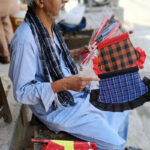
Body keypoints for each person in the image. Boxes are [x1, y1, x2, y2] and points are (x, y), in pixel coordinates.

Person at [9, 0, 130, 150]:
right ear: (40, 2)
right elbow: (21, 92)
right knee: (113, 144)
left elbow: (51, 59)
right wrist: (64, 84)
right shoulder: (25, 39)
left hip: (73, 94)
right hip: (57, 108)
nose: (66, 0)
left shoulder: (49, 27)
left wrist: (74, 53)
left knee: (124, 107)